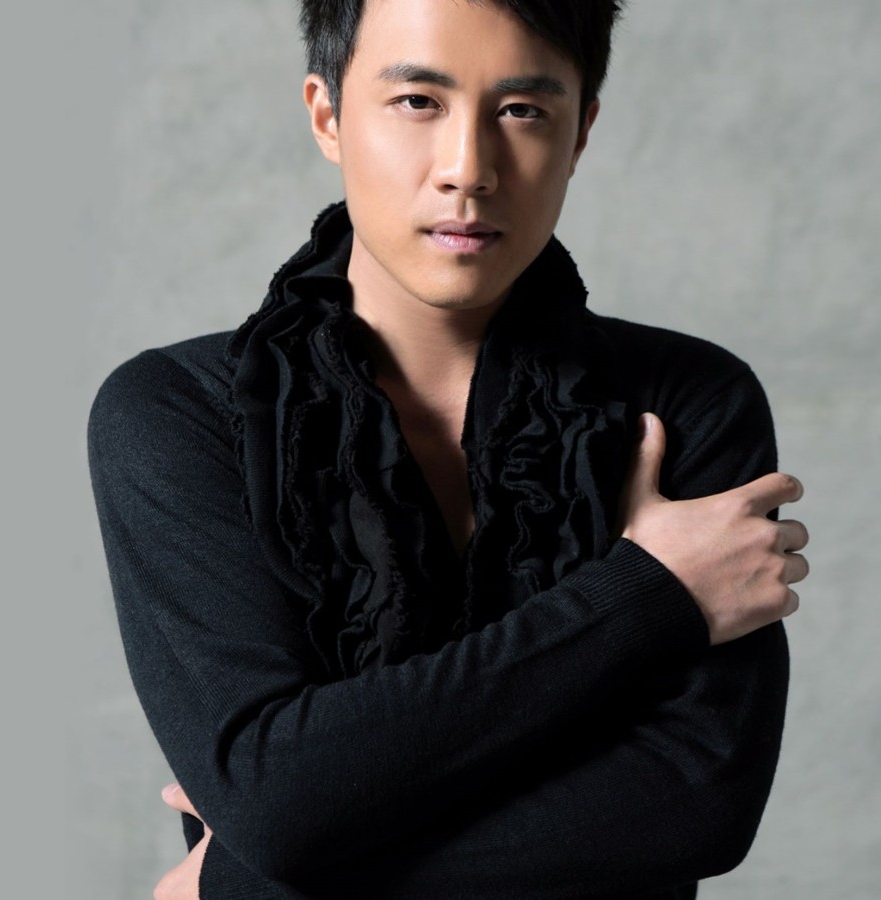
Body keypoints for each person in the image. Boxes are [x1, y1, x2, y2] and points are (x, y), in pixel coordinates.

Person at [85, 0, 812, 897]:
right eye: (418, 102)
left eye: (522, 110)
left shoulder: (688, 400)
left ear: (581, 132)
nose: (468, 168)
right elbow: (279, 801)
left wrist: (245, 883)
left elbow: (696, 802)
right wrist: (649, 594)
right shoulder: (177, 411)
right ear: (326, 114)